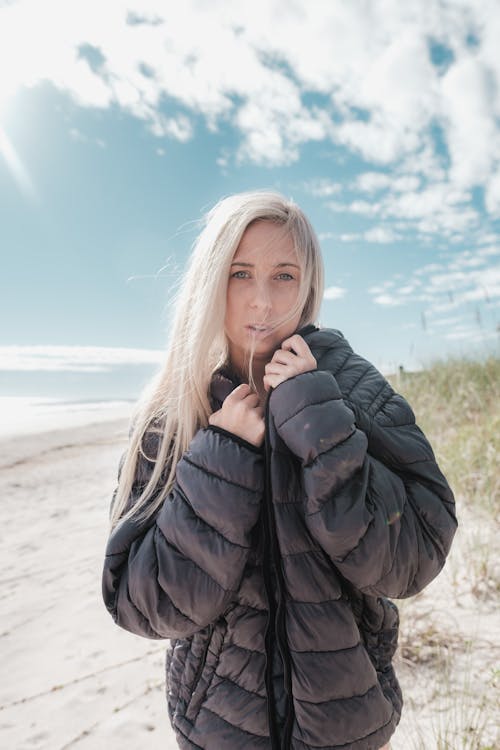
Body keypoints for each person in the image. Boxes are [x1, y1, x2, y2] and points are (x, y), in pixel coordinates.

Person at [101, 190, 458, 750]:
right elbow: (140, 602)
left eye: (284, 276)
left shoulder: (353, 388)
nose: (262, 302)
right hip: (218, 731)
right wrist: (219, 456)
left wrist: (317, 420)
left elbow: (417, 555)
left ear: (309, 286)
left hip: (348, 724)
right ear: (211, 280)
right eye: (241, 274)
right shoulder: (173, 413)